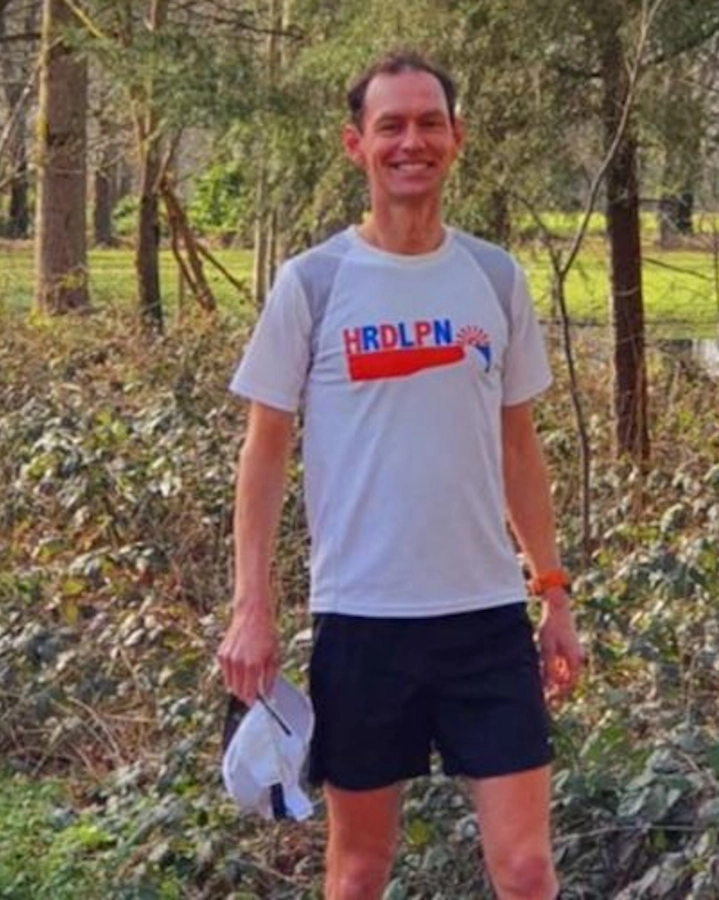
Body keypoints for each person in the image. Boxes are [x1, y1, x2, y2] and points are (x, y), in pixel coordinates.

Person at [218, 50, 585, 900]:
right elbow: (264, 450)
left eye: (429, 124)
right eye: (392, 126)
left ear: (455, 139)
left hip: (486, 622)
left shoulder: (494, 276)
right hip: (363, 618)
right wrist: (251, 609)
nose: (410, 142)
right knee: (358, 870)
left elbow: (518, 448)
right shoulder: (313, 282)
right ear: (357, 144)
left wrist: (554, 593)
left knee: (528, 869)